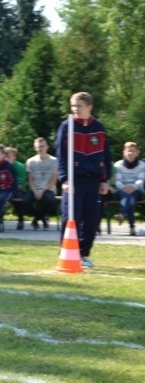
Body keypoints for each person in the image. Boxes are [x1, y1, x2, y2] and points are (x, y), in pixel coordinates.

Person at [56, 92, 111, 268]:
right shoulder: (67, 126)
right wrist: (64, 179)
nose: (75, 109)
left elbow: (106, 156)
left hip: (94, 180)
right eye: (72, 106)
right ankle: (66, 252)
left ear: (89, 107)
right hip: (74, 180)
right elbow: (61, 155)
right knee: (70, 217)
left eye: (79, 106)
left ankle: (84, 254)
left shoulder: (100, 128)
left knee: (92, 219)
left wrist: (104, 179)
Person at [24, 137, 58, 230]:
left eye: (42, 146)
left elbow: (54, 180)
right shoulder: (30, 161)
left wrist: (42, 191)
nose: (40, 149)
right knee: (25, 202)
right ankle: (42, 218)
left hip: (48, 188)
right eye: (38, 147)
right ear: (35, 148)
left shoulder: (54, 161)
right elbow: (30, 180)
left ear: (47, 147)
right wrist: (35, 191)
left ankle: (35, 220)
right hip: (34, 188)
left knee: (50, 200)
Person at [113, 141, 145, 236]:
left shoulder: (142, 165)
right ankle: (132, 228)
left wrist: (133, 186)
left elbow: (141, 180)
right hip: (122, 190)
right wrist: (124, 187)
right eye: (129, 151)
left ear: (137, 152)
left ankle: (122, 215)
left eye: (133, 151)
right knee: (130, 199)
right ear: (124, 152)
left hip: (137, 190)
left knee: (131, 196)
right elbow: (117, 181)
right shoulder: (118, 165)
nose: (131, 153)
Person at [4, 147, 27, 230]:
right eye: (5, 156)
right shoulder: (2, 166)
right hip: (5, 189)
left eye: (9, 157)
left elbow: (20, 184)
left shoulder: (20, 166)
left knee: (18, 200)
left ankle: (21, 218)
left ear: (14, 157)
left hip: (18, 190)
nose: (7, 159)